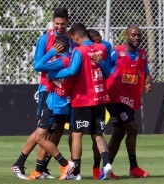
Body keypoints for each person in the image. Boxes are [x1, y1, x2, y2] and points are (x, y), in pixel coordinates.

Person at [11, 7, 71, 180]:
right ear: (53, 22)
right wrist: (53, 53)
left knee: (58, 131)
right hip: (48, 89)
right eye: (57, 23)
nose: (60, 26)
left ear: (67, 22)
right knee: (41, 132)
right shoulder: (45, 39)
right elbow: (36, 64)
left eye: (63, 23)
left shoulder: (69, 40)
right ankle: (19, 163)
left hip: (64, 91)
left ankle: (41, 168)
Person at [48, 23, 112, 180]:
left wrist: (52, 74)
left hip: (82, 99)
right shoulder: (102, 48)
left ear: (76, 36)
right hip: (100, 99)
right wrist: (101, 63)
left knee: (76, 134)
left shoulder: (79, 50)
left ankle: (75, 172)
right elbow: (107, 73)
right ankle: (107, 163)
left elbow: (72, 70)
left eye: (73, 38)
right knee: (98, 134)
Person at [106, 25, 153, 178]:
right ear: (126, 35)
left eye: (139, 35)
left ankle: (106, 168)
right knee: (132, 128)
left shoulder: (143, 55)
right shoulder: (116, 52)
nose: (136, 38)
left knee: (119, 132)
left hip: (130, 99)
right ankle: (134, 167)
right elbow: (103, 70)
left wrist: (148, 83)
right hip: (115, 98)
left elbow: (146, 73)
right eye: (133, 35)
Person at [33, 34, 75, 180]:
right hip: (61, 104)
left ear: (57, 47)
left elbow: (37, 66)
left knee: (40, 138)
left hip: (55, 105)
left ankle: (65, 164)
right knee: (46, 136)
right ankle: (39, 171)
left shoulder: (60, 61)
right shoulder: (72, 58)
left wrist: (51, 52)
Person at [87, 28, 120, 179]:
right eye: (97, 41)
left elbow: (108, 72)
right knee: (75, 134)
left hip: (101, 95)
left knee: (98, 133)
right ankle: (74, 169)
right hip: (83, 97)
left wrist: (101, 63)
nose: (100, 43)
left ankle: (99, 167)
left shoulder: (106, 47)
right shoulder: (80, 50)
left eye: (101, 40)